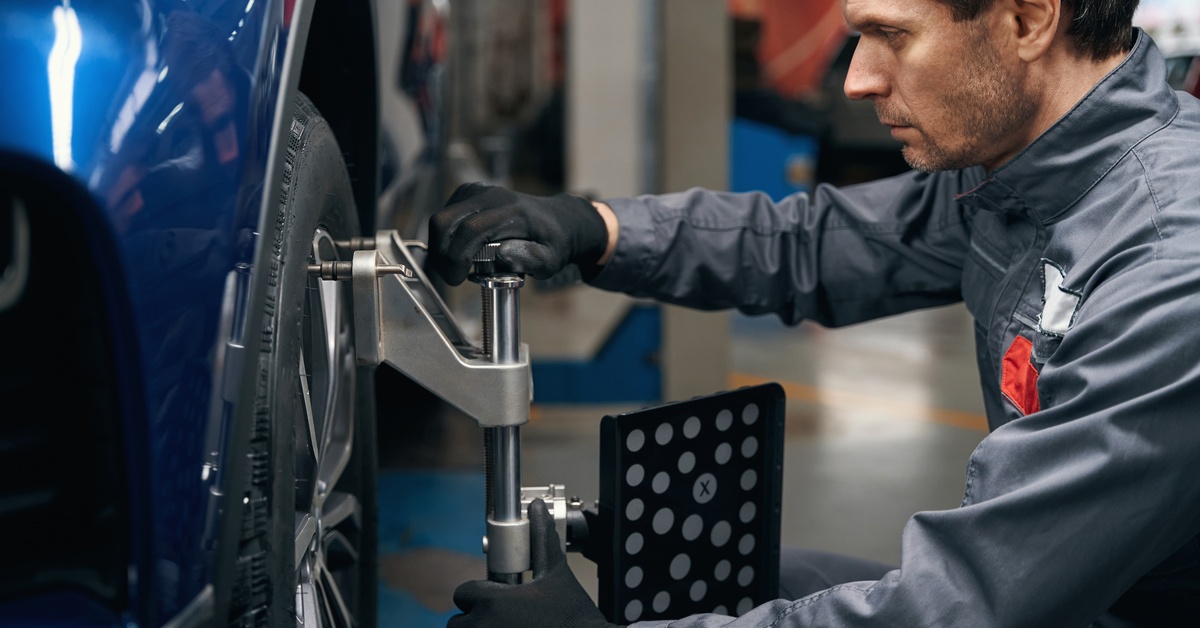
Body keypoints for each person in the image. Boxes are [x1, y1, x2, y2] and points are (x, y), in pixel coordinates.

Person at [429, 0, 1200, 625]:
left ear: (1028, 20)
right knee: (720, 581)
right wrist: (595, 228)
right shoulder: (1020, 174)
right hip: (1072, 595)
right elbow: (818, 243)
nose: (858, 79)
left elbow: (974, 603)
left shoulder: (1169, 269)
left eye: (892, 35)